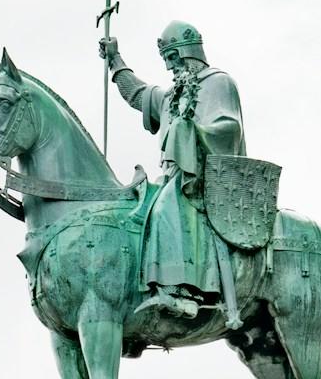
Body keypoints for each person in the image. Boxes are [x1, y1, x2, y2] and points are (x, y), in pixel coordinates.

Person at [98, 21, 244, 322]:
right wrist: (115, 60)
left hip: (203, 178)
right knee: (139, 207)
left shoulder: (218, 82)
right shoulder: (171, 95)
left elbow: (230, 129)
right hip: (170, 177)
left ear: (184, 55)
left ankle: (182, 291)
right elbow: (138, 94)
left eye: (172, 60)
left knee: (167, 204)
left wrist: (191, 131)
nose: (170, 68)